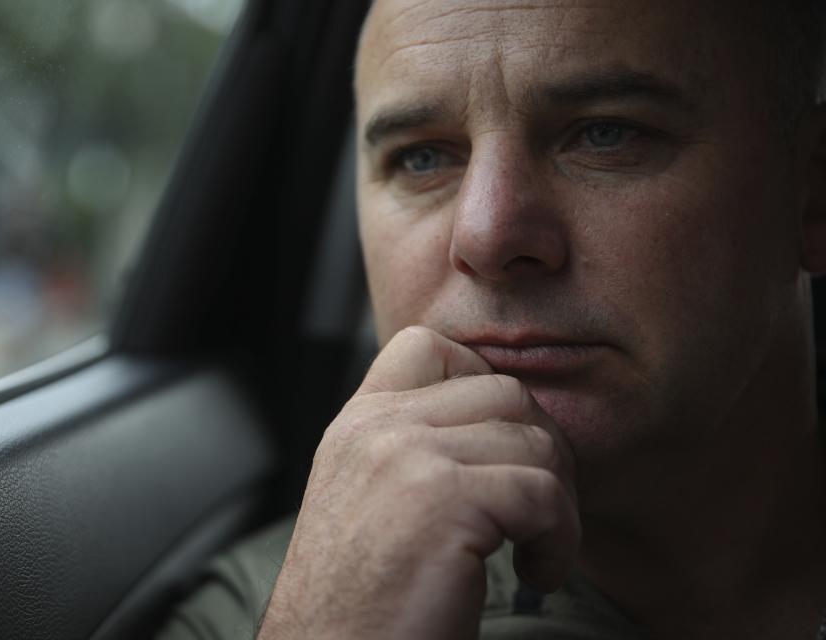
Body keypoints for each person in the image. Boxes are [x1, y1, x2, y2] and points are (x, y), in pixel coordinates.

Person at [158, 0, 826, 638]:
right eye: (422, 157)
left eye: (606, 133)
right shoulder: (260, 612)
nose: (487, 235)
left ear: (811, 195)